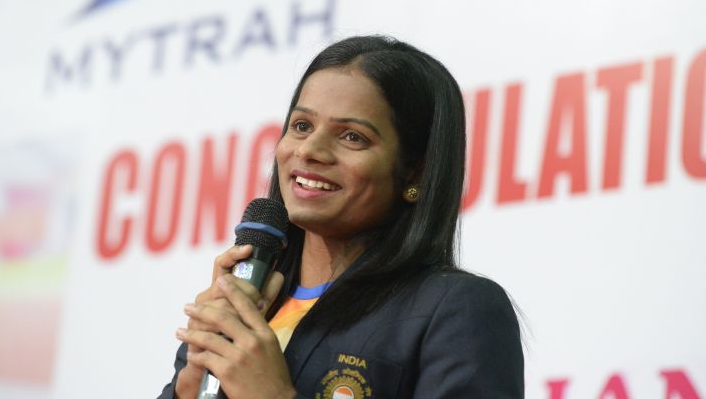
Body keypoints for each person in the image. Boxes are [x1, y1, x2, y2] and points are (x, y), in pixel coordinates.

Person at [159, 35, 524, 398]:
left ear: (416, 173)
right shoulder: (241, 311)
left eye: (352, 136)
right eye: (302, 126)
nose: (310, 150)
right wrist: (188, 388)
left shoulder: (455, 310)